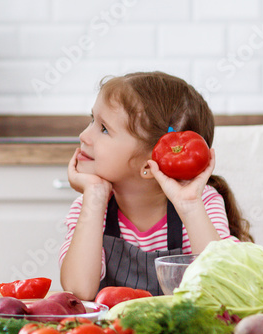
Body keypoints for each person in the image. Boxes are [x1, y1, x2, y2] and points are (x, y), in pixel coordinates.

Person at [59, 71, 251, 301]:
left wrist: (189, 206)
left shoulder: (202, 202)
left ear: (150, 166)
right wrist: (95, 196)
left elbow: (223, 284)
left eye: (104, 129)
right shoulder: (90, 205)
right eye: (92, 120)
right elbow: (78, 291)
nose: (83, 136)